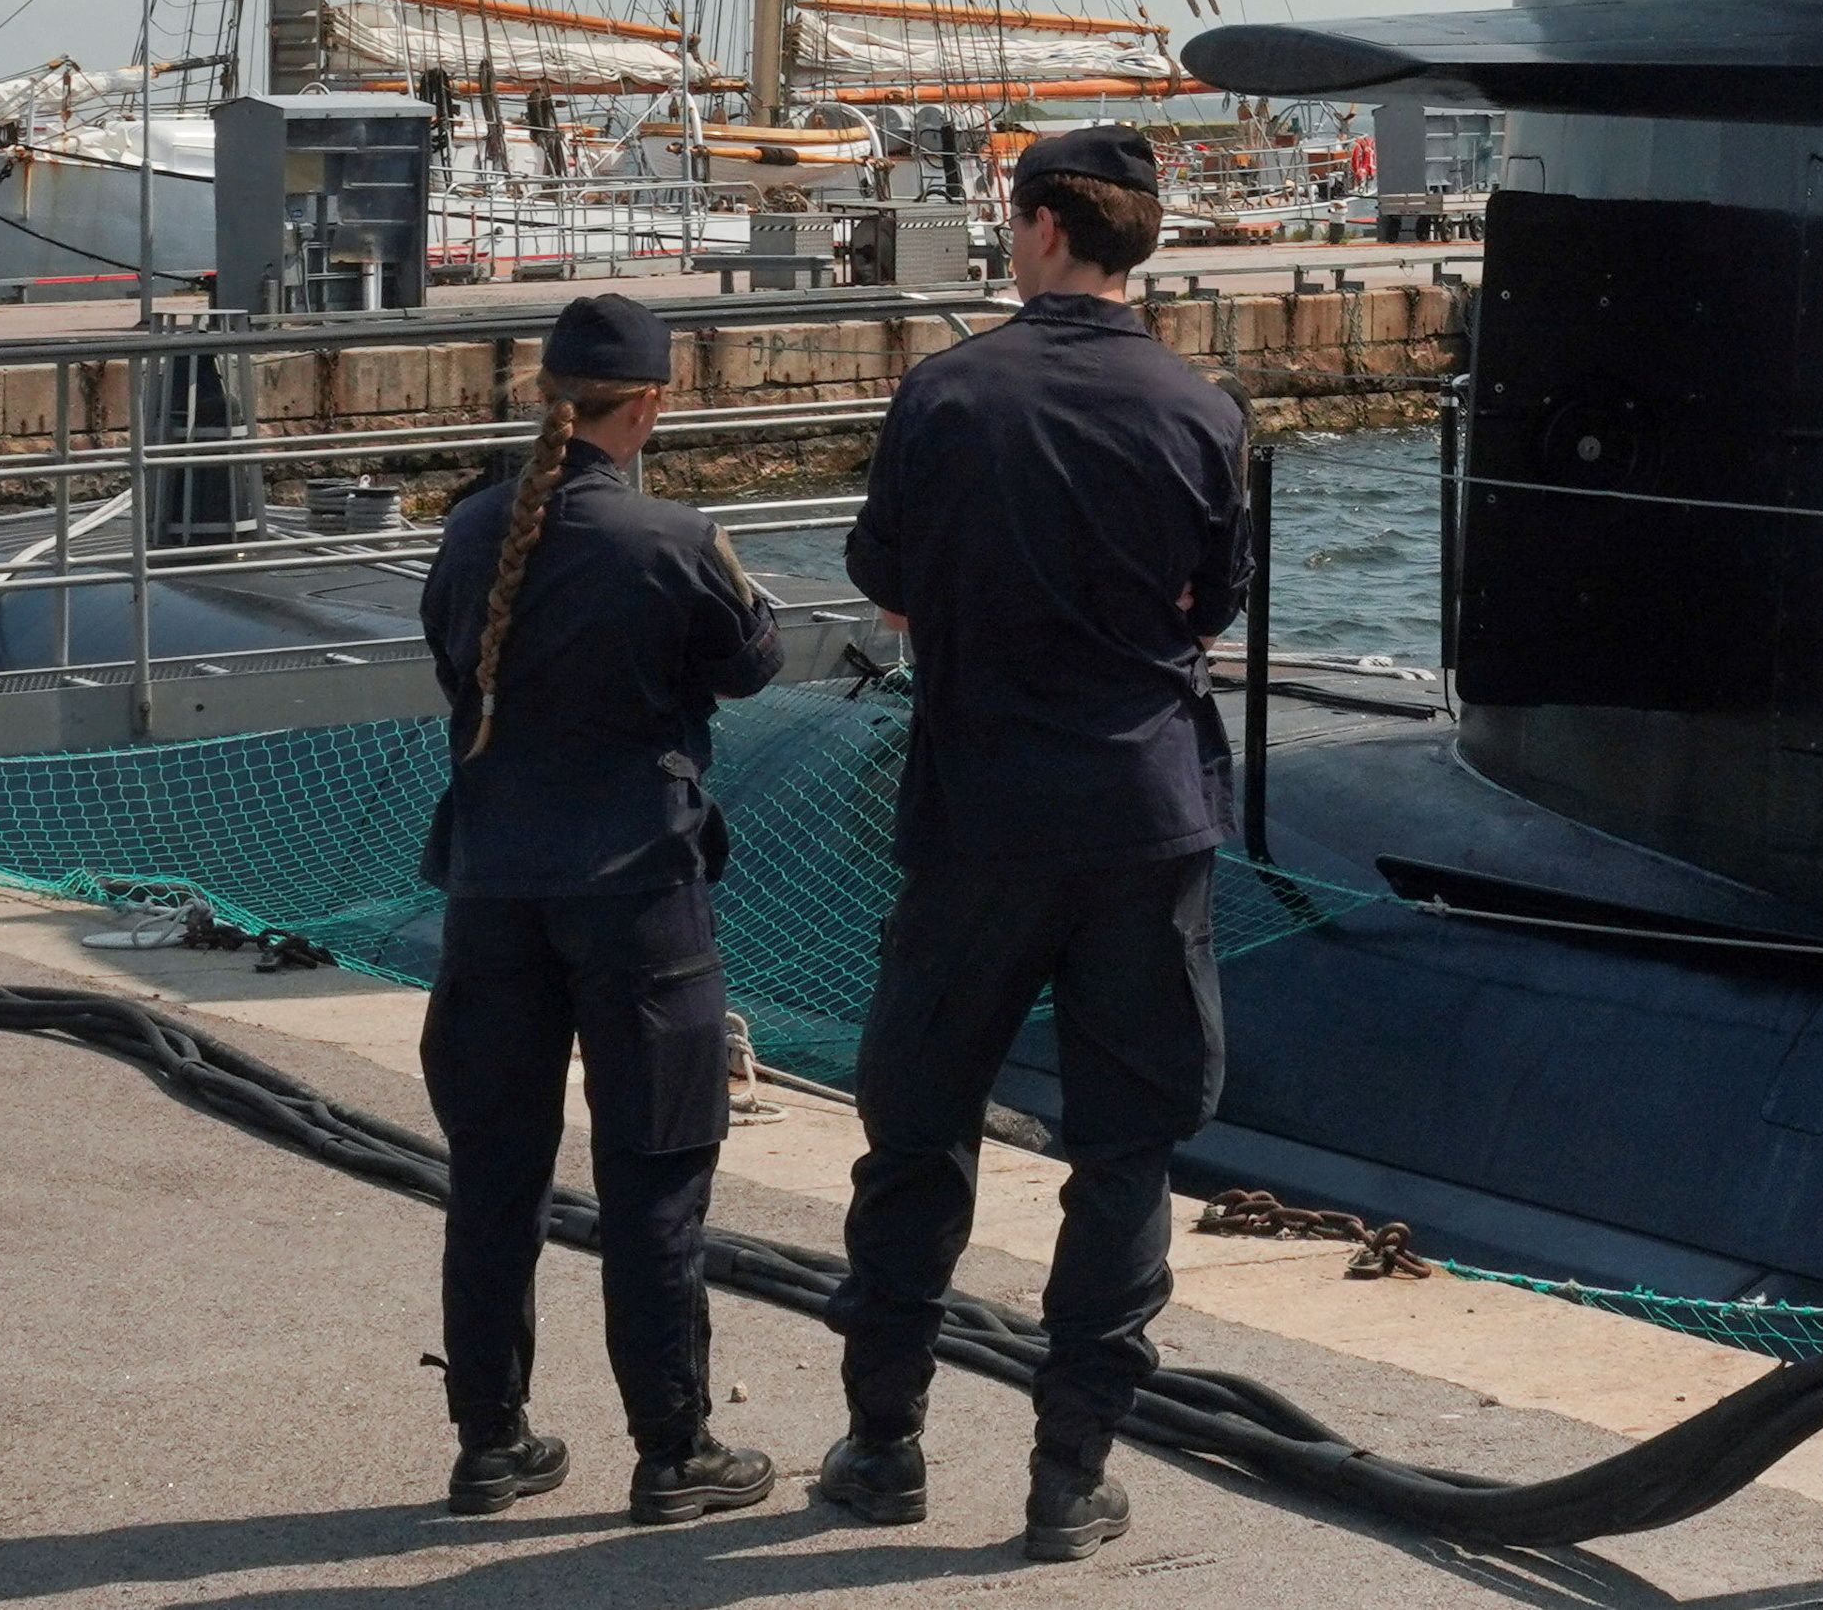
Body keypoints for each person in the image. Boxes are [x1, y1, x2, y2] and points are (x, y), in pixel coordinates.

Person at [819, 123, 1248, 1564]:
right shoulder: (1202, 405)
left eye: (1014, 217)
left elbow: (886, 577)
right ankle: (1071, 1472)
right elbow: (1211, 603)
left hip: (982, 812)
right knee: (1124, 1146)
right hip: (1142, 813)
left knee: (919, 1128)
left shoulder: (949, 391)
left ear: (1052, 225)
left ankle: (883, 1445)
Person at [415, 290, 786, 1524]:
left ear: (546, 397)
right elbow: (750, 659)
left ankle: (489, 1440)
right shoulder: (673, 538)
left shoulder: (470, 531)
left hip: (493, 889)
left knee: (494, 1175)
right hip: (635, 895)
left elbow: (449, 663)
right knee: (655, 1175)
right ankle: (672, 1448)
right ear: (649, 406)